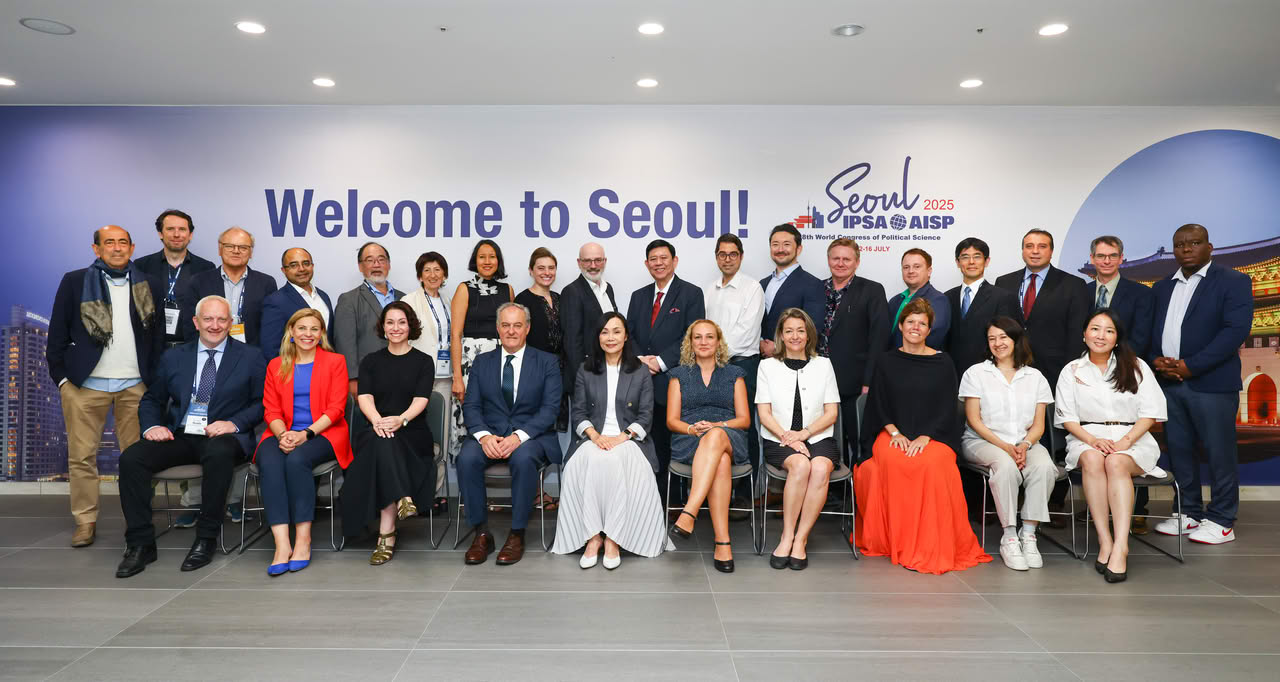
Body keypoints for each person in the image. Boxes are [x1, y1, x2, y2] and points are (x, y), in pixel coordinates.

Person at [115, 295, 265, 577]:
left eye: (222, 319)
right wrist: (151, 427)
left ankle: (206, 538)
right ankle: (140, 543)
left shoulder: (251, 357)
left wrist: (233, 423)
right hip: (181, 434)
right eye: (208, 318)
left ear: (231, 323)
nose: (215, 325)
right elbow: (152, 399)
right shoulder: (174, 356)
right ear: (196, 322)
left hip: (223, 436)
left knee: (218, 453)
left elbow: (262, 402)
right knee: (131, 459)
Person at [48, 225, 166, 547]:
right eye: (109, 243)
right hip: (85, 386)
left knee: (137, 459)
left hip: (135, 386)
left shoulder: (149, 283)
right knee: (82, 457)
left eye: (122, 243)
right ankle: (85, 521)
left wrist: (152, 381)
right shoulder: (75, 281)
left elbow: (156, 338)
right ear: (96, 248)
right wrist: (63, 381)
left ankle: (137, 521)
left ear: (132, 247)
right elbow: (56, 335)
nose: (117, 248)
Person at [855, 298, 990, 574]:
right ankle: (901, 541)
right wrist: (895, 432)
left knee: (932, 464)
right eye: (911, 322)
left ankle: (928, 545)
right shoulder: (886, 360)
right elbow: (877, 404)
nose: (915, 327)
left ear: (929, 330)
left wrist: (926, 437)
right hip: (890, 432)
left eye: (922, 323)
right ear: (901, 326)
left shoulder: (942, 362)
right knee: (897, 462)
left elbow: (946, 408)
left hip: (935, 436)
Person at [1149, 224, 1252, 545]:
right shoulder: (1162, 287)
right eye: (1179, 245)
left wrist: (1190, 366)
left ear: (1210, 246)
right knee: (1179, 451)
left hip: (1212, 384)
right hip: (1169, 383)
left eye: (1194, 243)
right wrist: (1157, 360)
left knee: (1219, 453)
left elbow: (1234, 332)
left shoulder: (1233, 281)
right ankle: (1189, 512)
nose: (1186, 249)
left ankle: (1222, 520)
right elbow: (1152, 330)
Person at [1055, 310, 1167, 582]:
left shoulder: (1136, 365)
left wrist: (1125, 441)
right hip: (1086, 436)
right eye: (1095, 329)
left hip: (1133, 437)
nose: (1100, 335)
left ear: (1117, 338)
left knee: (1115, 461)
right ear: (1084, 334)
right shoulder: (1071, 370)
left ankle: (1121, 545)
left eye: (1108, 330)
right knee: (1094, 459)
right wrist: (1092, 440)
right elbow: (1067, 418)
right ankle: (1104, 540)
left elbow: (1150, 413)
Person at [551, 312, 670, 568]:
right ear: (598, 337)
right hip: (592, 439)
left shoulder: (640, 371)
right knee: (589, 461)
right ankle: (593, 538)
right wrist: (596, 436)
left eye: (616, 331)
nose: (610, 337)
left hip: (630, 440)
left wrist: (620, 438)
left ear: (626, 336)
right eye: (604, 332)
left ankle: (613, 539)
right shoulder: (586, 369)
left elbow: (646, 416)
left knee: (615, 462)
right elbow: (579, 413)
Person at [994, 229, 1090, 520]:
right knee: (1013, 428)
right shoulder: (1005, 282)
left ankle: (1054, 502)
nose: (1035, 251)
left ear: (1051, 250)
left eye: (1042, 246)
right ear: (1022, 250)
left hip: (1055, 372)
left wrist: (1068, 374)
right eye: (1029, 246)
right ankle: (1018, 498)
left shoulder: (1074, 285)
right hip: (1012, 370)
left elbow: (1077, 333)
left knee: (1053, 435)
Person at [457, 302, 562, 566]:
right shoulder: (482, 362)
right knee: (466, 459)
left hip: (532, 437)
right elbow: (471, 406)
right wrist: (483, 436)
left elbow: (550, 409)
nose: (511, 331)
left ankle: (517, 534)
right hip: (490, 435)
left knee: (523, 459)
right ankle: (482, 533)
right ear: (497, 329)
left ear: (527, 328)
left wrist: (519, 437)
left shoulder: (547, 362)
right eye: (506, 325)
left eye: (517, 325)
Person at [257, 309, 351, 576]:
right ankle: (281, 544)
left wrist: (305, 434)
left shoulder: (335, 362)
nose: (308, 334)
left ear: (321, 334)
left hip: (323, 432)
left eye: (314, 329)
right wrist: (282, 435)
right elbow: (270, 410)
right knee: (270, 462)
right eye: (302, 328)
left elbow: (336, 410)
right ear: (291, 332)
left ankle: (303, 538)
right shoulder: (276, 365)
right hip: (281, 432)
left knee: (297, 460)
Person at [340, 302, 435, 565]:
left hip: (412, 430)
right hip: (376, 428)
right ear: (382, 327)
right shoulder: (371, 361)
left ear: (411, 326)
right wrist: (379, 421)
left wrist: (401, 420)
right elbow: (365, 397)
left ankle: (387, 535)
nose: (396, 328)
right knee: (382, 442)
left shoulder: (424, 362)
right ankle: (402, 496)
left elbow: (421, 400)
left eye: (401, 322)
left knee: (384, 446)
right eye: (390, 322)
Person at [958, 316, 1055, 571]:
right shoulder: (976, 373)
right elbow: (974, 420)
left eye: (1003, 337)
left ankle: (1029, 534)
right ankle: (1010, 536)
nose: (998, 343)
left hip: (1025, 442)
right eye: (992, 338)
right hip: (982, 441)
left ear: (1015, 339)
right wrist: (1005, 447)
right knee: (1006, 466)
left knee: (1044, 466)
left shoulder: (1035, 377)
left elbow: (1038, 426)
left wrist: (1023, 445)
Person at [756, 309, 840, 571]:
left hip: (817, 436)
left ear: (809, 334)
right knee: (801, 465)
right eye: (789, 330)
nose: (795, 336)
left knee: (819, 467)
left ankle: (801, 540)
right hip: (779, 439)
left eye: (800, 330)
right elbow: (764, 413)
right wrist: (788, 437)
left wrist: (804, 434)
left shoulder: (823, 365)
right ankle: (786, 536)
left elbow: (832, 413)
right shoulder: (767, 365)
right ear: (781, 335)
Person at [665, 320, 750, 573]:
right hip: (689, 438)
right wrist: (692, 429)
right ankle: (723, 543)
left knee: (716, 437)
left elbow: (744, 420)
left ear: (718, 342)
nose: (703, 342)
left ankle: (689, 512)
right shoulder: (678, 375)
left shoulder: (734, 374)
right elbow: (672, 420)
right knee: (720, 460)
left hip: (729, 434)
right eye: (698, 337)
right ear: (690, 343)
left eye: (709, 337)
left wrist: (718, 424)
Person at [1086, 235, 1156, 533]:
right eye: (1100, 256)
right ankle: (1097, 508)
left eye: (1112, 255)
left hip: (1126, 374)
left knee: (1127, 440)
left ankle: (1136, 510)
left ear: (1122, 258)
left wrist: (1120, 365)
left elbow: (1141, 335)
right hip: (1089, 376)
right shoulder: (1082, 292)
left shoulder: (1140, 294)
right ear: (1092, 259)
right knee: (1093, 442)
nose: (1106, 261)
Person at [626, 240, 706, 497]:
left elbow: (691, 335)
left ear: (675, 260)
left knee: (668, 442)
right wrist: (641, 360)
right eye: (653, 259)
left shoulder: (691, 293)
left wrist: (658, 363)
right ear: (646, 264)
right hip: (639, 380)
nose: (658, 263)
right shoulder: (638, 296)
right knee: (641, 440)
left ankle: (671, 499)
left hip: (672, 380)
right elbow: (630, 333)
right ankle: (643, 497)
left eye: (663, 258)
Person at [703, 233, 765, 516]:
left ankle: (743, 494)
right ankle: (716, 488)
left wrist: (714, 351)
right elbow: (702, 330)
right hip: (711, 366)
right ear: (716, 257)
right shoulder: (709, 290)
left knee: (743, 425)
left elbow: (746, 331)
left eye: (732, 254)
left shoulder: (752, 288)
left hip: (742, 365)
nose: (727, 259)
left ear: (740, 256)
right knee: (715, 422)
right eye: (722, 254)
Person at [818, 238, 888, 458]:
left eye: (846, 259)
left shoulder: (872, 290)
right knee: (825, 440)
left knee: (858, 440)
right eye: (836, 258)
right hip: (818, 380)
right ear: (828, 260)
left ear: (857, 262)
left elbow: (879, 339)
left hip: (855, 382)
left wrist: (869, 381)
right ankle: (833, 491)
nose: (840, 263)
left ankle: (859, 489)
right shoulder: (816, 289)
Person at [448, 240, 515, 461]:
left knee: (499, 413)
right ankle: (469, 474)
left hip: (500, 361)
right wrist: (457, 376)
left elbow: (514, 330)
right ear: (474, 261)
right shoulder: (464, 288)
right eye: (482, 257)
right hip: (470, 362)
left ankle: (500, 457)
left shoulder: (508, 290)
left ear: (499, 261)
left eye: (492, 256)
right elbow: (455, 334)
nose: (487, 261)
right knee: (471, 417)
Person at [402, 251, 454, 515]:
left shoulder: (448, 301)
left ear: (444, 274)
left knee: (441, 438)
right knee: (414, 437)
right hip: (417, 379)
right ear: (420, 275)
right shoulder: (408, 301)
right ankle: (410, 495)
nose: (433, 275)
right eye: (427, 270)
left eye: (438, 270)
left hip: (445, 379)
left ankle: (436, 494)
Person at [332, 242, 405, 425]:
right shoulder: (349, 300)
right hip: (367, 382)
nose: (376, 265)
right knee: (368, 431)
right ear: (360, 266)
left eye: (381, 260)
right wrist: (352, 380)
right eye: (369, 260)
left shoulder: (404, 298)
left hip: (401, 378)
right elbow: (345, 343)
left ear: (388, 264)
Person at [176, 227, 278, 346]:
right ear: (220, 249)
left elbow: (270, 327)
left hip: (252, 356)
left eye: (243, 247)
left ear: (251, 253)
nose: (236, 251)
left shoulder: (266, 283)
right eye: (229, 246)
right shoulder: (199, 281)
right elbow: (190, 324)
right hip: (210, 353)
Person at [133, 209, 215, 347]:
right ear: (160, 233)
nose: (176, 234)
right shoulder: (142, 266)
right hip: (152, 344)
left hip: (192, 344)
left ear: (190, 235)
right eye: (170, 229)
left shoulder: (205, 267)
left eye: (182, 229)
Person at [945, 238, 1022, 376]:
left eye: (977, 256)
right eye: (965, 257)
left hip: (990, 376)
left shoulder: (1003, 297)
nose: (971, 262)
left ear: (986, 261)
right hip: (951, 375)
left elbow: (1010, 341)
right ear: (958, 262)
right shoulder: (947, 297)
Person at [515, 247, 568, 432]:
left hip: (560, 370)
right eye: (541, 268)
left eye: (551, 268)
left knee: (556, 423)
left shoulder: (560, 298)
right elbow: (517, 339)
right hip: (534, 370)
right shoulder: (522, 300)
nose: (547, 273)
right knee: (535, 422)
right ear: (531, 271)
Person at [560, 242, 618, 398]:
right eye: (587, 261)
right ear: (579, 263)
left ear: (605, 261)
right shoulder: (572, 292)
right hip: (588, 378)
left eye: (598, 260)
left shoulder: (608, 289)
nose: (593, 265)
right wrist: (584, 379)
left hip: (610, 373)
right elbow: (572, 342)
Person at [759, 224, 824, 358]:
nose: (780, 249)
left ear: (798, 249)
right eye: (775, 244)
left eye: (786, 244)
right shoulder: (762, 284)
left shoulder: (812, 284)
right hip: (762, 363)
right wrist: (760, 343)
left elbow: (813, 329)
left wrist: (777, 348)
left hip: (794, 362)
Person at [260, 247, 334, 361]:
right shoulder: (275, 301)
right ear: (283, 270)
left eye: (306, 263)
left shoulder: (323, 296)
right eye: (294, 265)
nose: (302, 269)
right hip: (295, 372)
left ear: (312, 266)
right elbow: (271, 348)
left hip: (327, 368)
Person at [887, 248, 950, 350]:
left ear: (929, 271)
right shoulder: (895, 300)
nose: (911, 271)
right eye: (906, 267)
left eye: (917, 266)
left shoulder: (938, 300)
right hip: (891, 360)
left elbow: (932, 339)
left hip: (918, 362)